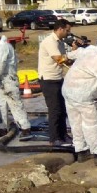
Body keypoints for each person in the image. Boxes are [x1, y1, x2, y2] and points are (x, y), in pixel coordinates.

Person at [38, 19, 72, 147]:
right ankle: (54, 138)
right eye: (67, 30)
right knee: (54, 110)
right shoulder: (50, 42)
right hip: (48, 79)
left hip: (58, 78)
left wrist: (73, 52)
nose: (68, 33)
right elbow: (59, 59)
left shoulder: (60, 43)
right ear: (60, 29)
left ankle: (63, 134)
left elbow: (66, 60)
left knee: (63, 109)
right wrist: (72, 55)